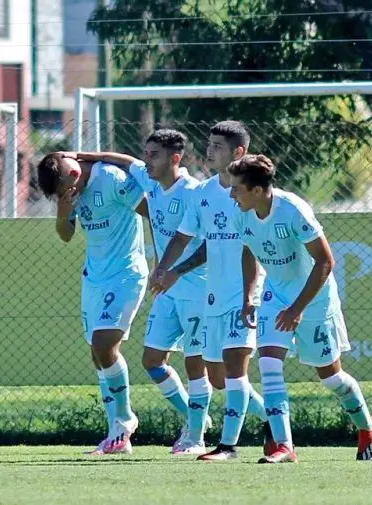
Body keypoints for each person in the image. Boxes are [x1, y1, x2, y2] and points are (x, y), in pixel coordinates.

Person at [228, 153, 372, 463]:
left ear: (257, 190)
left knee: (331, 377)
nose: (231, 194)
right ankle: (285, 446)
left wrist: (298, 308)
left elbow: (326, 261)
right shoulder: (241, 212)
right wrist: (248, 297)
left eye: (237, 188)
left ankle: (367, 426)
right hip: (276, 296)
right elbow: (248, 252)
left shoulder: (293, 210)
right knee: (269, 362)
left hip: (314, 299)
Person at [151, 121, 274, 461]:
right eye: (209, 144)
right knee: (218, 378)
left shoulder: (248, 195)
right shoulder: (203, 193)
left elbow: (253, 247)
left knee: (236, 372)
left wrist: (251, 293)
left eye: (218, 146)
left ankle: (228, 447)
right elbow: (186, 238)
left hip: (243, 293)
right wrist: (167, 269)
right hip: (213, 296)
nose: (209, 151)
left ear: (238, 152)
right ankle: (274, 422)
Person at [37, 150, 147, 454]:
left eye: (65, 192)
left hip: (126, 274)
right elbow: (65, 234)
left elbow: (152, 211)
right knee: (97, 355)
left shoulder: (110, 178)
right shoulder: (69, 192)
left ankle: (125, 419)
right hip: (94, 278)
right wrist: (62, 210)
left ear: (73, 175)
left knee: (104, 345)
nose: (68, 196)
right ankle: (116, 435)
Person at [125, 129, 214, 455]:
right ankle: (196, 420)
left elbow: (208, 245)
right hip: (167, 289)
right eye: (146, 153)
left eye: (154, 155)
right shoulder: (151, 183)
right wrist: (83, 158)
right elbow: (125, 162)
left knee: (197, 366)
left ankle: (196, 438)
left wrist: (174, 271)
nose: (146, 161)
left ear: (174, 158)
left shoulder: (194, 192)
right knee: (151, 360)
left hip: (196, 291)